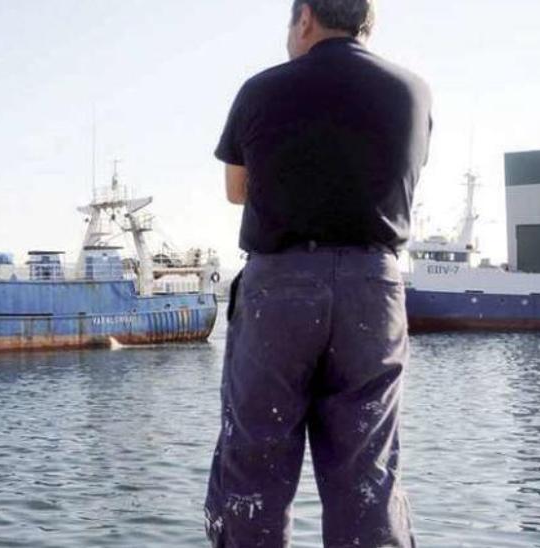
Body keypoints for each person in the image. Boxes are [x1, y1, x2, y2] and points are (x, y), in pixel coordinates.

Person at [203, 1, 431, 546]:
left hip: (279, 287)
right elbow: (401, 176)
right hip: (373, 289)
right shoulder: (412, 92)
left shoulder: (261, 89)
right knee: (366, 472)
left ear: (305, 18)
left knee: (255, 465)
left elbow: (237, 189)